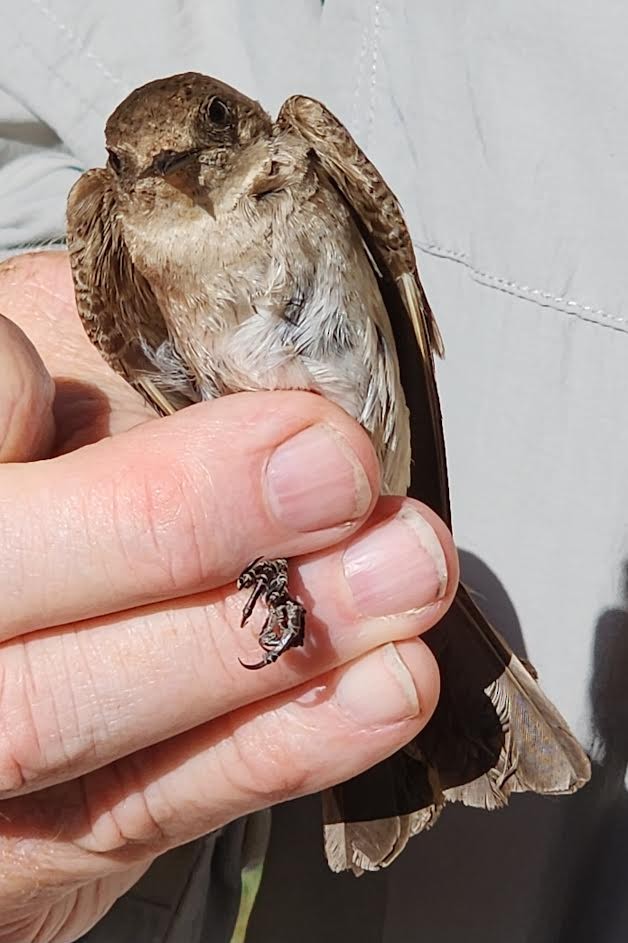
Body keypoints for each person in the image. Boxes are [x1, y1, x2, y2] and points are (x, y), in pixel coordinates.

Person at [0, 3, 622, 942]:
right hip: (291, 536)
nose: (178, 169)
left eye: (202, 133)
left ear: (239, 121)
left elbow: (408, 336)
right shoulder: (116, 231)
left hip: (396, 482)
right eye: (142, 168)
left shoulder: (305, 150)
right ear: (120, 183)